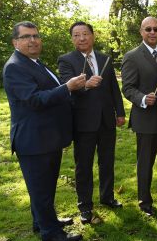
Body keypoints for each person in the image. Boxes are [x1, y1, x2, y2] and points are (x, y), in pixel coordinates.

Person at [3, 21, 85, 241]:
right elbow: (35, 100)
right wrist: (67, 87)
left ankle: (42, 222)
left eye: (36, 36)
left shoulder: (35, 63)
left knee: (45, 187)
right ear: (15, 42)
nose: (33, 40)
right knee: (40, 189)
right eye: (26, 37)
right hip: (33, 140)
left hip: (47, 137)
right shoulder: (15, 67)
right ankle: (52, 234)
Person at [57, 21, 126, 224]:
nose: (81, 38)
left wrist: (120, 112)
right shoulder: (66, 60)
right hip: (83, 122)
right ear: (72, 39)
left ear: (92, 35)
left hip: (107, 120)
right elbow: (66, 86)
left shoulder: (105, 58)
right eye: (76, 35)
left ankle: (107, 197)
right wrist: (85, 84)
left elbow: (114, 88)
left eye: (85, 34)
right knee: (84, 166)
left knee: (107, 161)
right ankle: (85, 206)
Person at [121, 16, 157, 216]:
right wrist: (143, 98)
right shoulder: (132, 56)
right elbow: (128, 88)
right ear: (141, 32)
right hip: (146, 119)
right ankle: (145, 202)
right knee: (146, 163)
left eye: (156, 29)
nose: (152, 32)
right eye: (148, 29)